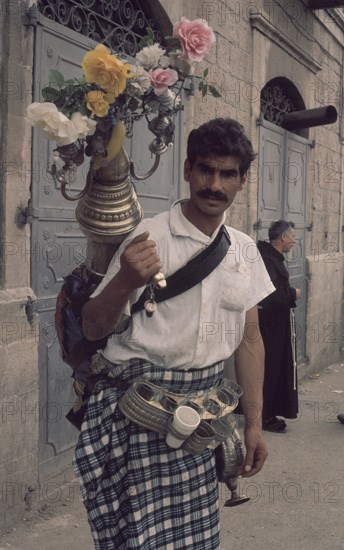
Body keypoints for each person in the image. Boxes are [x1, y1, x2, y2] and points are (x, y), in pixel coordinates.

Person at [75, 118, 275, 550]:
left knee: (196, 541)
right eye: (206, 169)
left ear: (242, 180)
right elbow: (92, 326)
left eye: (227, 174)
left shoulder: (244, 250)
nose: (214, 184)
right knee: (136, 541)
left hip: (202, 424)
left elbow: (250, 339)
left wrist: (254, 424)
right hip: (136, 417)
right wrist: (127, 278)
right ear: (187, 170)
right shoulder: (147, 236)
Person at [257, 220, 301, 433]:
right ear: (283, 237)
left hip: (276, 323)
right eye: (292, 236)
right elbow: (271, 296)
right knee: (270, 369)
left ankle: (269, 413)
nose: (294, 240)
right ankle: (265, 416)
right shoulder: (267, 259)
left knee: (276, 368)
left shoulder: (271, 257)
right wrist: (293, 294)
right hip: (270, 324)